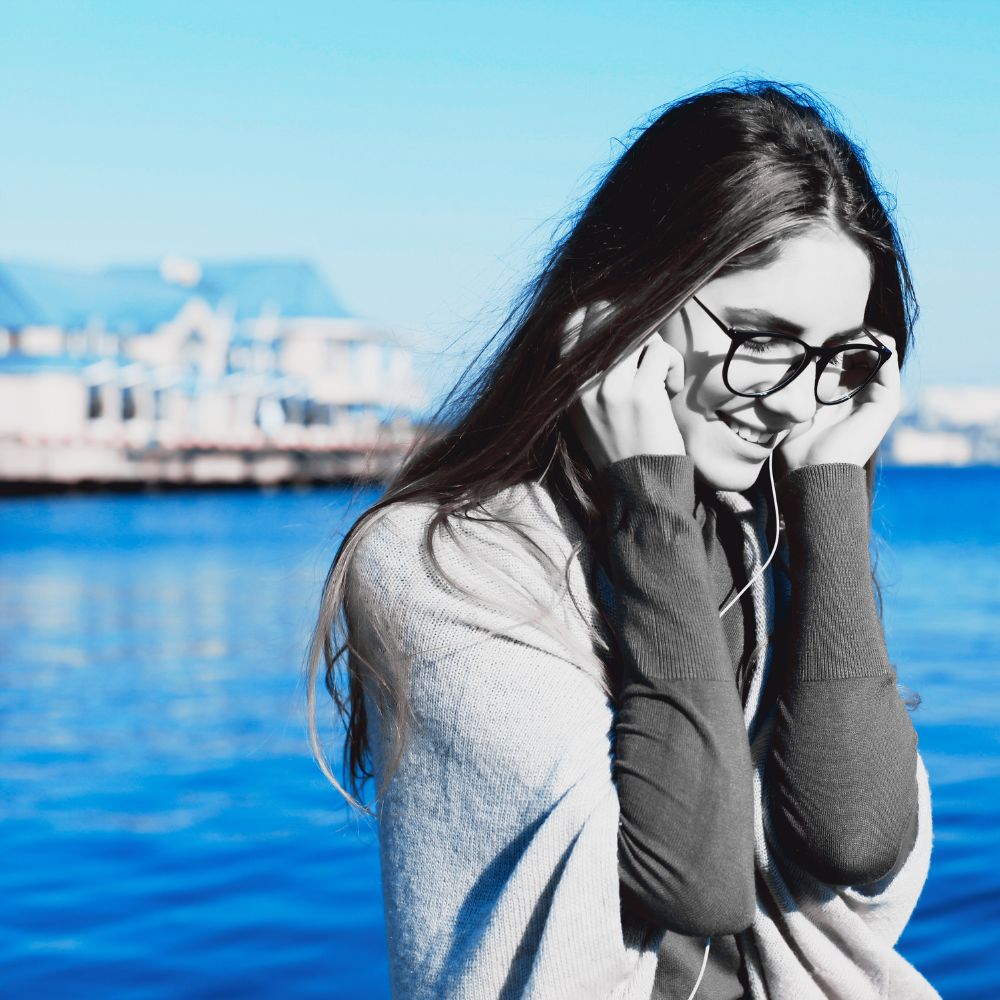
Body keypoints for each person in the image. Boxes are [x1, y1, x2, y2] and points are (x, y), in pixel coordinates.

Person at [307, 80, 938, 999]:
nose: (797, 401)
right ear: (628, 300)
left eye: (834, 355)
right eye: (760, 338)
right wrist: (651, 506)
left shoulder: (761, 536)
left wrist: (832, 496)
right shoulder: (441, 563)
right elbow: (695, 879)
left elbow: (857, 839)